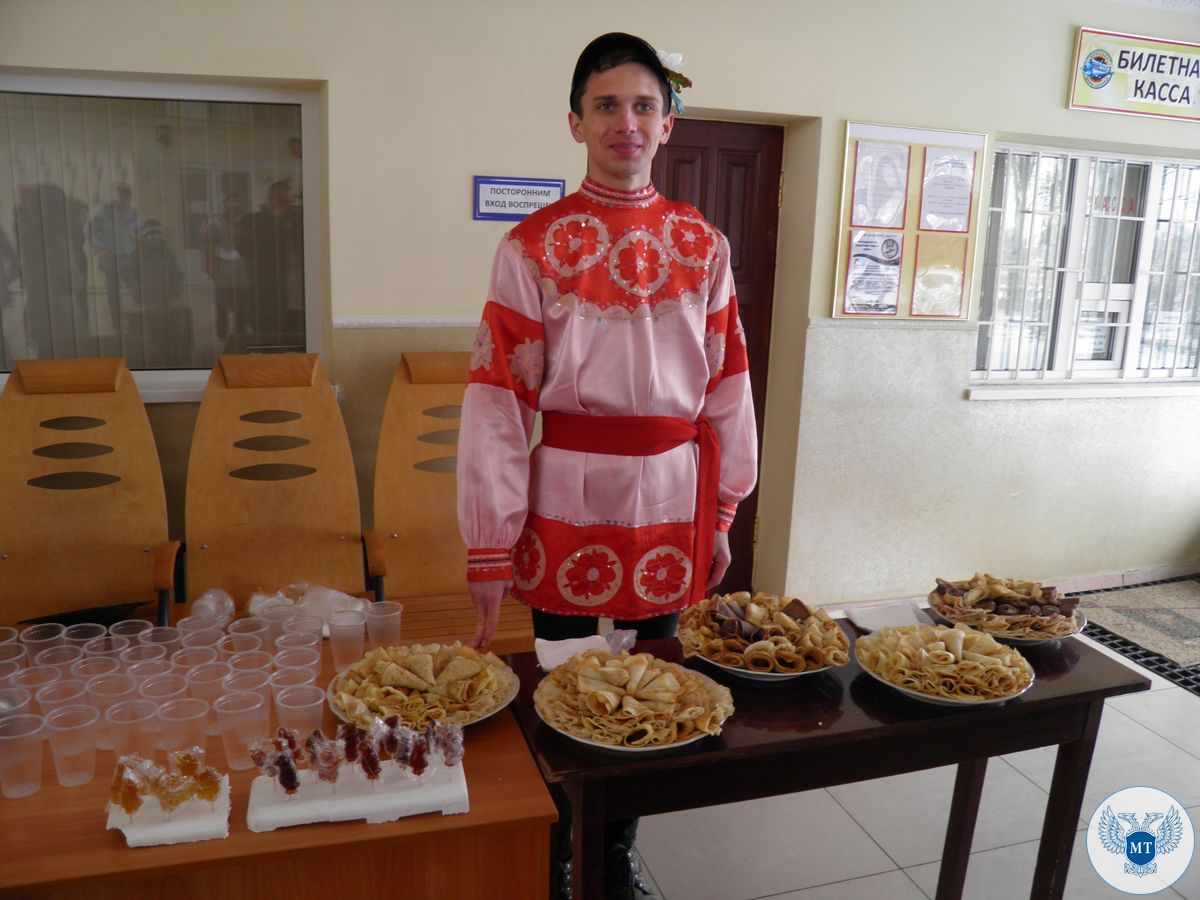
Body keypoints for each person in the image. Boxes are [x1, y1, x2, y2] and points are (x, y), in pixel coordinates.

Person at [456, 32, 757, 900]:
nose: (625, 122)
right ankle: (562, 849)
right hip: (568, 495)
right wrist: (488, 539)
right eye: (606, 105)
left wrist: (726, 507)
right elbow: (497, 402)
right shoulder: (533, 246)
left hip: (672, 492)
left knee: (654, 688)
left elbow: (730, 386)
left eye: (643, 106)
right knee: (564, 680)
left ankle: (618, 848)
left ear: (667, 125)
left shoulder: (705, 246)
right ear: (576, 122)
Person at [85, 181, 140, 340]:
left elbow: (140, 232)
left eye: (126, 195)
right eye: (120, 194)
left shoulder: (133, 213)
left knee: (135, 287)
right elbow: (91, 231)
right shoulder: (103, 212)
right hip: (110, 257)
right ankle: (117, 323)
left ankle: (139, 319)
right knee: (113, 292)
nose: (123, 198)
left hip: (128, 257)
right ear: (115, 195)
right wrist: (101, 248)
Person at [201, 192, 247, 343]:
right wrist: (219, 249)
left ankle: (240, 336)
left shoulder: (244, 221)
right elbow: (206, 245)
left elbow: (251, 242)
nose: (232, 205)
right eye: (229, 201)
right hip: (221, 271)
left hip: (240, 272)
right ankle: (222, 339)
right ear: (223, 203)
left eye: (235, 201)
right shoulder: (213, 223)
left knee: (240, 308)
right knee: (221, 307)